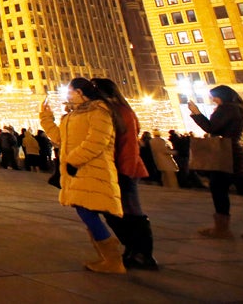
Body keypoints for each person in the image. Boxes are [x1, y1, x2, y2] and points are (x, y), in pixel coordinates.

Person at [40, 78, 124, 274]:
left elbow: (98, 140)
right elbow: (60, 137)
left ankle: (114, 259)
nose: (67, 95)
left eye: (70, 91)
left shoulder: (100, 111)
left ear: (79, 92)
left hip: (94, 169)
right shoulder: (72, 115)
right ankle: (110, 257)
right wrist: (46, 118)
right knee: (87, 211)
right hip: (78, 171)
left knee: (90, 211)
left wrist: (73, 160)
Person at [92, 78, 157, 270]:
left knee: (128, 211)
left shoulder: (118, 112)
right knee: (122, 211)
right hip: (122, 167)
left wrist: (124, 169)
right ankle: (135, 250)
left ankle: (143, 254)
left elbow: (127, 145)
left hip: (123, 167)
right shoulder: (119, 110)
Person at [189, 85, 243, 239]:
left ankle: (222, 229)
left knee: (221, 187)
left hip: (228, 153)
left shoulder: (227, 108)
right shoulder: (241, 108)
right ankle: (221, 228)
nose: (213, 100)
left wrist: (196, 112)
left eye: (214, 96)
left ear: (222, 96)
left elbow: (211, 128)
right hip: (238, 151)